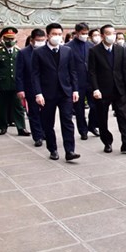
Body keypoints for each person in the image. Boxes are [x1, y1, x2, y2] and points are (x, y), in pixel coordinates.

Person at [31, 23, 80, 161]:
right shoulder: (38, 52)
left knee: (67, 121)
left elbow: (73, 71)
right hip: (47, 94)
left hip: (65, 92)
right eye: (54, 34)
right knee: (48, 123)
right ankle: (52, 149)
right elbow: (35, 75)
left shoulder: (67, 51)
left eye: (59, 34)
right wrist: (38, 93)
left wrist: (75, 89)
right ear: (48, 35)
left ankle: (70, 151)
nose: (57, 37)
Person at [88, 24, 126, 154]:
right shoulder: (94, 51)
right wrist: (95, 89)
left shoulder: (120, 50)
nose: (112, 36)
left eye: (114, 33)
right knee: (102, 118)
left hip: (119, 88)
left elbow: (125, 70)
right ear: (103, 35)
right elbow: (92, 72)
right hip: (102, 90)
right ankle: (107, 142)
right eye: (109, 33)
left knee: (123, 115)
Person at [65, 22, 98, 139]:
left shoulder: (91, 46)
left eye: (86, 33)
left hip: (90, 81)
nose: (85, 35)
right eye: (83, 33)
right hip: (76, 82)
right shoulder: (68, 47)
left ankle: (92, 125)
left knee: (95, 106)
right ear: (77, 32)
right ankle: (82, 130)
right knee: (79, 109)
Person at [15, 28, 46, 146]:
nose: (40, 43)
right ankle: (37, 136)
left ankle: (45, 132)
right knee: (34, 113)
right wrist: (20, 89)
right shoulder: (23, 53)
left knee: (46, 112)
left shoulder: (46, 51)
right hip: (30, 87)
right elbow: (19, 73)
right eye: (38, 40)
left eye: (43, 40)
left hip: (46, 87)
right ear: (32, 40)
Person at [0, 27, 31, 136]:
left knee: (18, 107)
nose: (9, 41)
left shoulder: (19, 51)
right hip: (2, 84)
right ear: (3, 39)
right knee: (2, 107)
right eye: (7, 38)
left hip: (16, 85)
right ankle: (2, 127)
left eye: (11, 38)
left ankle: (21, 128)